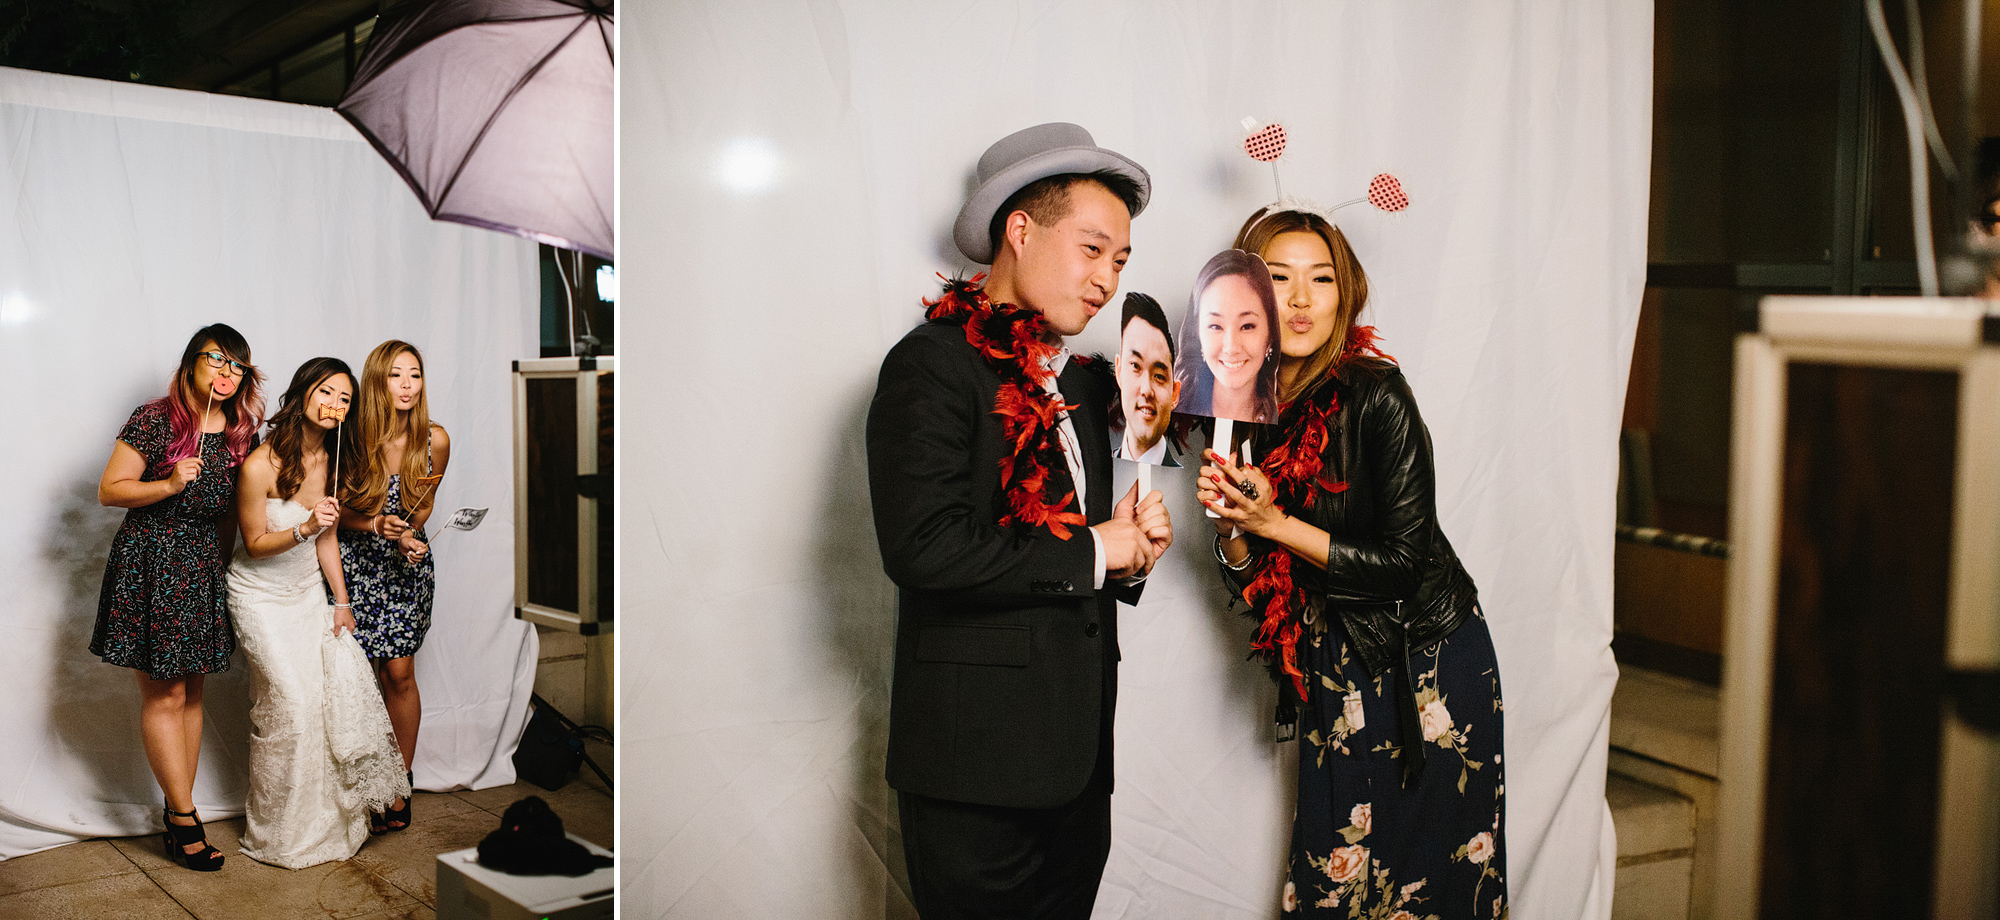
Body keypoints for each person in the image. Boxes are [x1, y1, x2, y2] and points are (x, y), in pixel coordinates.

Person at [866, 122, 1174, 919]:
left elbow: (1067, 559)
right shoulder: (931, 365)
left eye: (1121, 261)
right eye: (1093, 248)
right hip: (976, 777)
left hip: (1078, 768)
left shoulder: (1077, 385)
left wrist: (1130, 551)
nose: (1107, 278)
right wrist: (1092, 551)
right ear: (1019, 229)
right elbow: (922, 547)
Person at [1200, 207, 1506, 918]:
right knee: (1338, 878)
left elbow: (1403, 561)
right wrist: (1235, 528)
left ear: (1346, 294)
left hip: (1424, 662)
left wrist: (1277, 520)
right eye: (1279, 278)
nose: (1301, 300)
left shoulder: (1377, 395)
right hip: (1331, 662)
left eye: (1321, 278)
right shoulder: (1243, 409)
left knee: (1430, 882)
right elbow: (1262, 591)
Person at [91, 323, 264, 871]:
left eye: (238, 366)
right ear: (192, 362)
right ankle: (186, 818)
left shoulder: (241, 432)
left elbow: (236, 513)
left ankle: (177, 811)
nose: (226, 373)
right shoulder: (156, 419)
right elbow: (109, 489)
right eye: (217, 360)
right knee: (164, 697)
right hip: (151, 562)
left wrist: (222, 565)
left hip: (202, 565)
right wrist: (168, 483)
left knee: (191, 694)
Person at [229, 357, 409, 868]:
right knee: (289, 707)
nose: (334, 406)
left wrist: (342, 602)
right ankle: (276, 832)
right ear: (303, 394)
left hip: (309, 594)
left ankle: (325, 826)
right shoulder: (259, 465)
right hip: (259, 596)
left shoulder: (331, 461)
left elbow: (327, 538)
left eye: (345, 399)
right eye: (326, 393)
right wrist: (306, 528)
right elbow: (256, 543)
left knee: (321, 708)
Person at [338, 340, 451, 834]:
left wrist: (407, 536)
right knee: (357, 681)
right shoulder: (349, 437)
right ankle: (361, 786)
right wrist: (373, 526)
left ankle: (399, 783)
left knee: (399, 674)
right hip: (355, 565)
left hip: (405, 566)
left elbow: (422, 507)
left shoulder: (435, 439)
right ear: (378, 382)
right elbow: (329, 509)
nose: (407, 385)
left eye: (415, 375)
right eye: (396, 375)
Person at [1174, 249, 1281, 423]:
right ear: (1197, 333)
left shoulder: (1291, 426)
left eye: (1247, 326)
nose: (1231, 347)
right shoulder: (1168, 414)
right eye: (1216, 326)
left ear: (1270, 334)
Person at [1110, 292, 1182, 467]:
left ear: (1174, 393)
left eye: (1159, 376)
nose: (1146, 390)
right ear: (1119, 371)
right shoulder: (1090, 472)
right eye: (1135, 366)